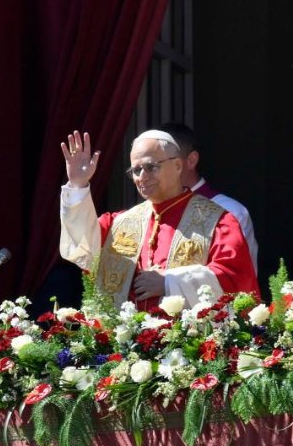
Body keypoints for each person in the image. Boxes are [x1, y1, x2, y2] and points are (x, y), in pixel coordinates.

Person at [59, 128, 260, 312]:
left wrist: (169, 282)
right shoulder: (117, 222)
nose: (142, 177)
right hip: (123, 344)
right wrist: (78, 185)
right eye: (136, 170)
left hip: (187, 346)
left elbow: (235, 278)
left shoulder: (218, 220)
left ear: (178, 165)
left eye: (151, 167)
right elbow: (82, 249)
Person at [161, 121, 259, 273]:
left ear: (191, 160)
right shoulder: (143, 215)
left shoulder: (228, 211)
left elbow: (239, 278)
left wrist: (168, 281)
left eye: (158, 163)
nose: (148, 174)